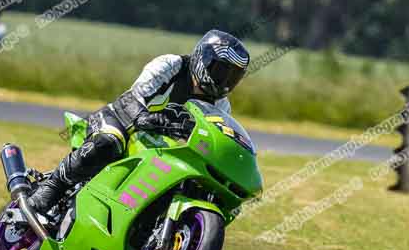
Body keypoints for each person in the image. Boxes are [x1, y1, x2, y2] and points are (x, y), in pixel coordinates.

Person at [27, 30, 251, 215]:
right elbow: (132, 98)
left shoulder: (222, 106)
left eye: (234, 77)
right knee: (109, 141)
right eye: (222, 71)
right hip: (122, 121)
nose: (225, 82)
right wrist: (143, 117)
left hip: (161, 151)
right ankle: (52, 187)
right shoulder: (172, 65)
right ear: (204, 59)